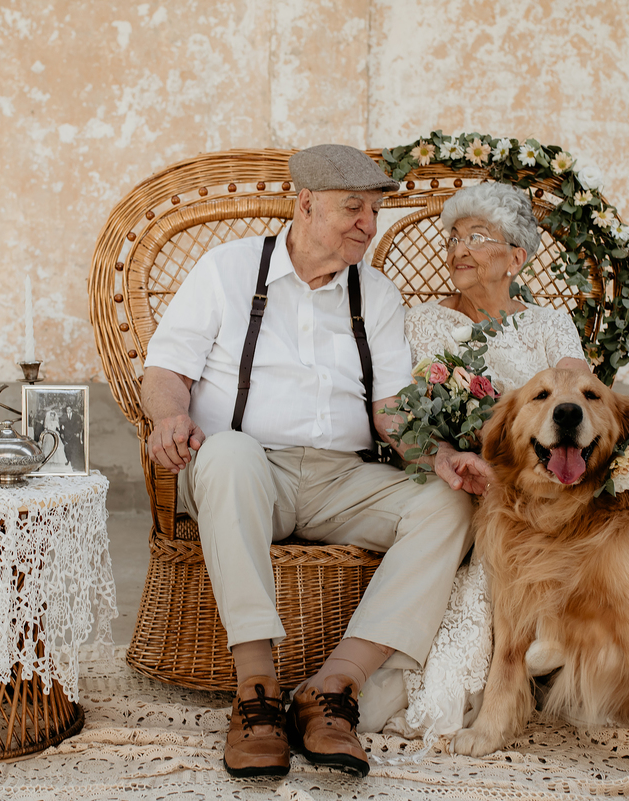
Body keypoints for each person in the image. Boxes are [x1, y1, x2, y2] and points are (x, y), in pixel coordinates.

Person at [140, 144, 489, 778]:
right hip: (243, 474)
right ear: (305, 205)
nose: (368, 224)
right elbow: (165, 369)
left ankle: (331, 690)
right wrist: (170, 415)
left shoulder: (375, 293)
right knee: (230, 453)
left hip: (342, 478)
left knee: (448, 501)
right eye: (353, 208)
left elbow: (390, 413)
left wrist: (439, 457)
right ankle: (258, 692)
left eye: (374, 210)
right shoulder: (227, 270)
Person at [390, 181, 629, 738]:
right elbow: (412, 410)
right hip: (481, 472)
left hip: (558, 471)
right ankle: (518, 671)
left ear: (516, 257)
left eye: (478, 237)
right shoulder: (424, 322)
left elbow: (580, 392)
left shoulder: (548, 323)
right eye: (454, 237)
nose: (459, 249)